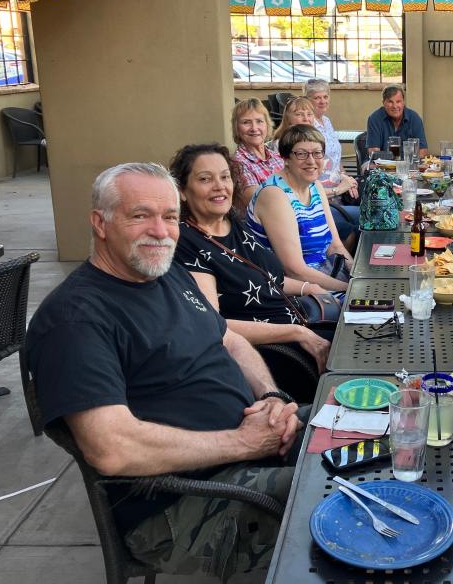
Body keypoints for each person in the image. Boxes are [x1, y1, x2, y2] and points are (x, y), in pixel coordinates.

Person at [25, 163, 303, 580]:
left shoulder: (167, 274)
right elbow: (111, 449)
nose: (160, 230)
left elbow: (227, 337)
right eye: (140, 215)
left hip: (250, 444)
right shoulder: (75, 320)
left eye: (170, 217)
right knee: (343, 501)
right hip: (181, 505)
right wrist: (245, 443)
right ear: (100, 223)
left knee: (370, 435)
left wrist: (270, 397)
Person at [170, 143, 331, 395]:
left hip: (301, 324)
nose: (219, 186)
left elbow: (264, 279)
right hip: (274, 354)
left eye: (224, 177)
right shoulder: (188, 244)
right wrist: (298, 332)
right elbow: (213, 325)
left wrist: (308, 287)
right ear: (182, 190)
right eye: (205, 179)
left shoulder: (232, 222)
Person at [245, 124, 353, 292]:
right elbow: (295, 271)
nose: (311, 161)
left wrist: (357, 276)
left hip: (325, 277)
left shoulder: (314, 185)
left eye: (317, 153)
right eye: (301, 154)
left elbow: (336, 246)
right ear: (286, 158)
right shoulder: (275, 195)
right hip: (299, 291)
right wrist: (350, 289)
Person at [302, 79, 360, 246]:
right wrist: (340, 187)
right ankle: (345, 266)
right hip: (324, 197)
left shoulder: (326, 121)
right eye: (316, 98)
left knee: (375, 203)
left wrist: (347, 178)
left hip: (339, 190)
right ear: (307, 101)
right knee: (363, 219)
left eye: (325, 96)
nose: (322, 101)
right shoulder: (307, 127)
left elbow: (335, 159)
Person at [231, 98, 282, 210]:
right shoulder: (238, 164)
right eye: (246, 122)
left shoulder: (277, 157)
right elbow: (261, 202)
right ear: (237, 128)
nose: (254, 128)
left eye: (259, 121)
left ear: (267, 125)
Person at [365, 84, 429, 156]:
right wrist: (393, 164)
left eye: (398, 101)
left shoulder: (414, 118)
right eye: (390, 102)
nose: (395, 106)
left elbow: (423, 150)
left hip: (408, 164)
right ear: (383, 103)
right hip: (381, 164)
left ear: (403, 102)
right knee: (368, 165)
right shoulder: (374, 119)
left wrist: (407, 164)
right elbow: (374, 152)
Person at [267, 96, 317, 172]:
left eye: (309, 114)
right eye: (299, 114)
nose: (306, 119)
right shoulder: (281, 143)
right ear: (288, 118)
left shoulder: (315, 139)